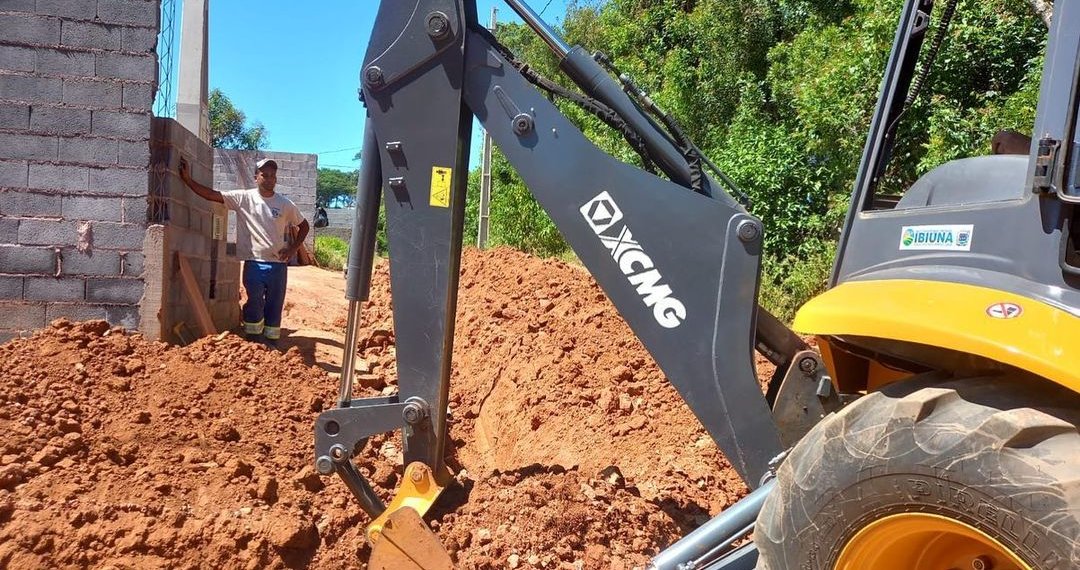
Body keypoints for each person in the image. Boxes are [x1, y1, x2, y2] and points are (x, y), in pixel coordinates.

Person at [177, 156, 310, 345]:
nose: (269, 178)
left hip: (278, 266)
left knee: (274, 305)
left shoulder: (285, 204)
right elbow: (212, 195)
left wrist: (292, 249)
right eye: (265, 175)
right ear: (256, 177)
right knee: (254, 302)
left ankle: (272, 345)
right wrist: (188, 181)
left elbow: (304, 226)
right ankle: (253, 341)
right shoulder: (244, 198)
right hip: (254, 262)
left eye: (273, 175)